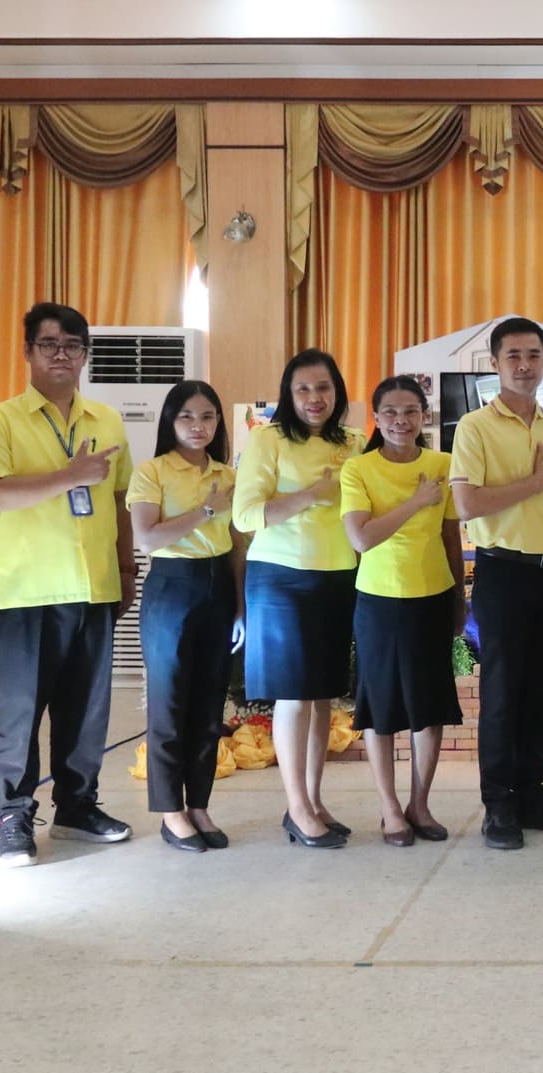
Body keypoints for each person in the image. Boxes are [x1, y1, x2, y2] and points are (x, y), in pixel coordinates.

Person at [0, 302, 134, 867]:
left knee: (86, 711)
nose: (61, 354)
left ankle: (77, 807)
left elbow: (118, 499)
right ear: (28, 352)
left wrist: (126, 569)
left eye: (72, 345)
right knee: (17, 714)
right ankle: (12, 817)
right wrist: (68, 477)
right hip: (23, 592)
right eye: (49, 344)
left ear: (85, 355)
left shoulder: (106, 420)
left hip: (92, 586)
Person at [449, 318, 543, 851]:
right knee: (502, 694)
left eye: (533, 355)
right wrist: (535, 482)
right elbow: (467, 504)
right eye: (513, 355)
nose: (524, 364)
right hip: (503, 573)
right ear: (494, 364)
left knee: (542, 692)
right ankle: (499, 804)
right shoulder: (474, 427)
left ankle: (533, 794)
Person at [235, 349, 358, 850]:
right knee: (293, 694)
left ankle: (313, 799)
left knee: (322, 695)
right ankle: (296, 808)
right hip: (280, 579)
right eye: (303, 388)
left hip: (339, 576)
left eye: (323, 387)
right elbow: (245, 515)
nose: (314, 398)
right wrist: (310, 494)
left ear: (337, 391)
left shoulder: (354, 442)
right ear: (288, 394)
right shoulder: (268, 440)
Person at [343, 375, 464, 846]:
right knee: (381, 707)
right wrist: (416, 501)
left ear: (424, 415)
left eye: (411, 410)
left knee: (429, 707)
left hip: (433, 596)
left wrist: (458, 597)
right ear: (376, 417)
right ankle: (390, 808)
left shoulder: (443, 464)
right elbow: (362, 537)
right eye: (390, 412)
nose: (401, 420)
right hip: (379, 601)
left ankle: (420, 804)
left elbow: (450, 537)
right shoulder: (359, 469)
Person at [127, 380, 244, 854]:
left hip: (219, 585)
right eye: (188, 416)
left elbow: (237, 545)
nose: (199, 426)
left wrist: (240, 604)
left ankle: (198, 804)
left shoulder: (228, 475)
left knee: (210, 704)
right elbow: (148, 537)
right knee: (169, 702)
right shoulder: (151, 471)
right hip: (172, 586)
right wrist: (206, 510)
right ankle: (169, 810)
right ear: (170, 421)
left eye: (208, 417)